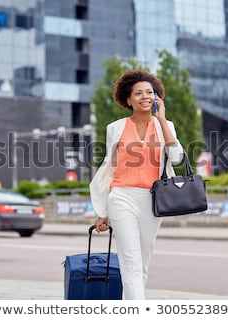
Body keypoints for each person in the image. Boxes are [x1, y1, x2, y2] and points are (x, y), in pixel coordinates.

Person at [89, 69, 184, 299]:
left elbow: (178, 158)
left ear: (157, 97)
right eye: (138, 93)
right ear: (128, 99)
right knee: (130, 261)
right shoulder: (116, 128)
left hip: (154, 200)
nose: (145, 97)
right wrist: (103, 210)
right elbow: (109, 169)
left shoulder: (166, 126)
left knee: (141, 263)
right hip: (122, 196)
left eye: (150, 92)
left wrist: (161, 120)